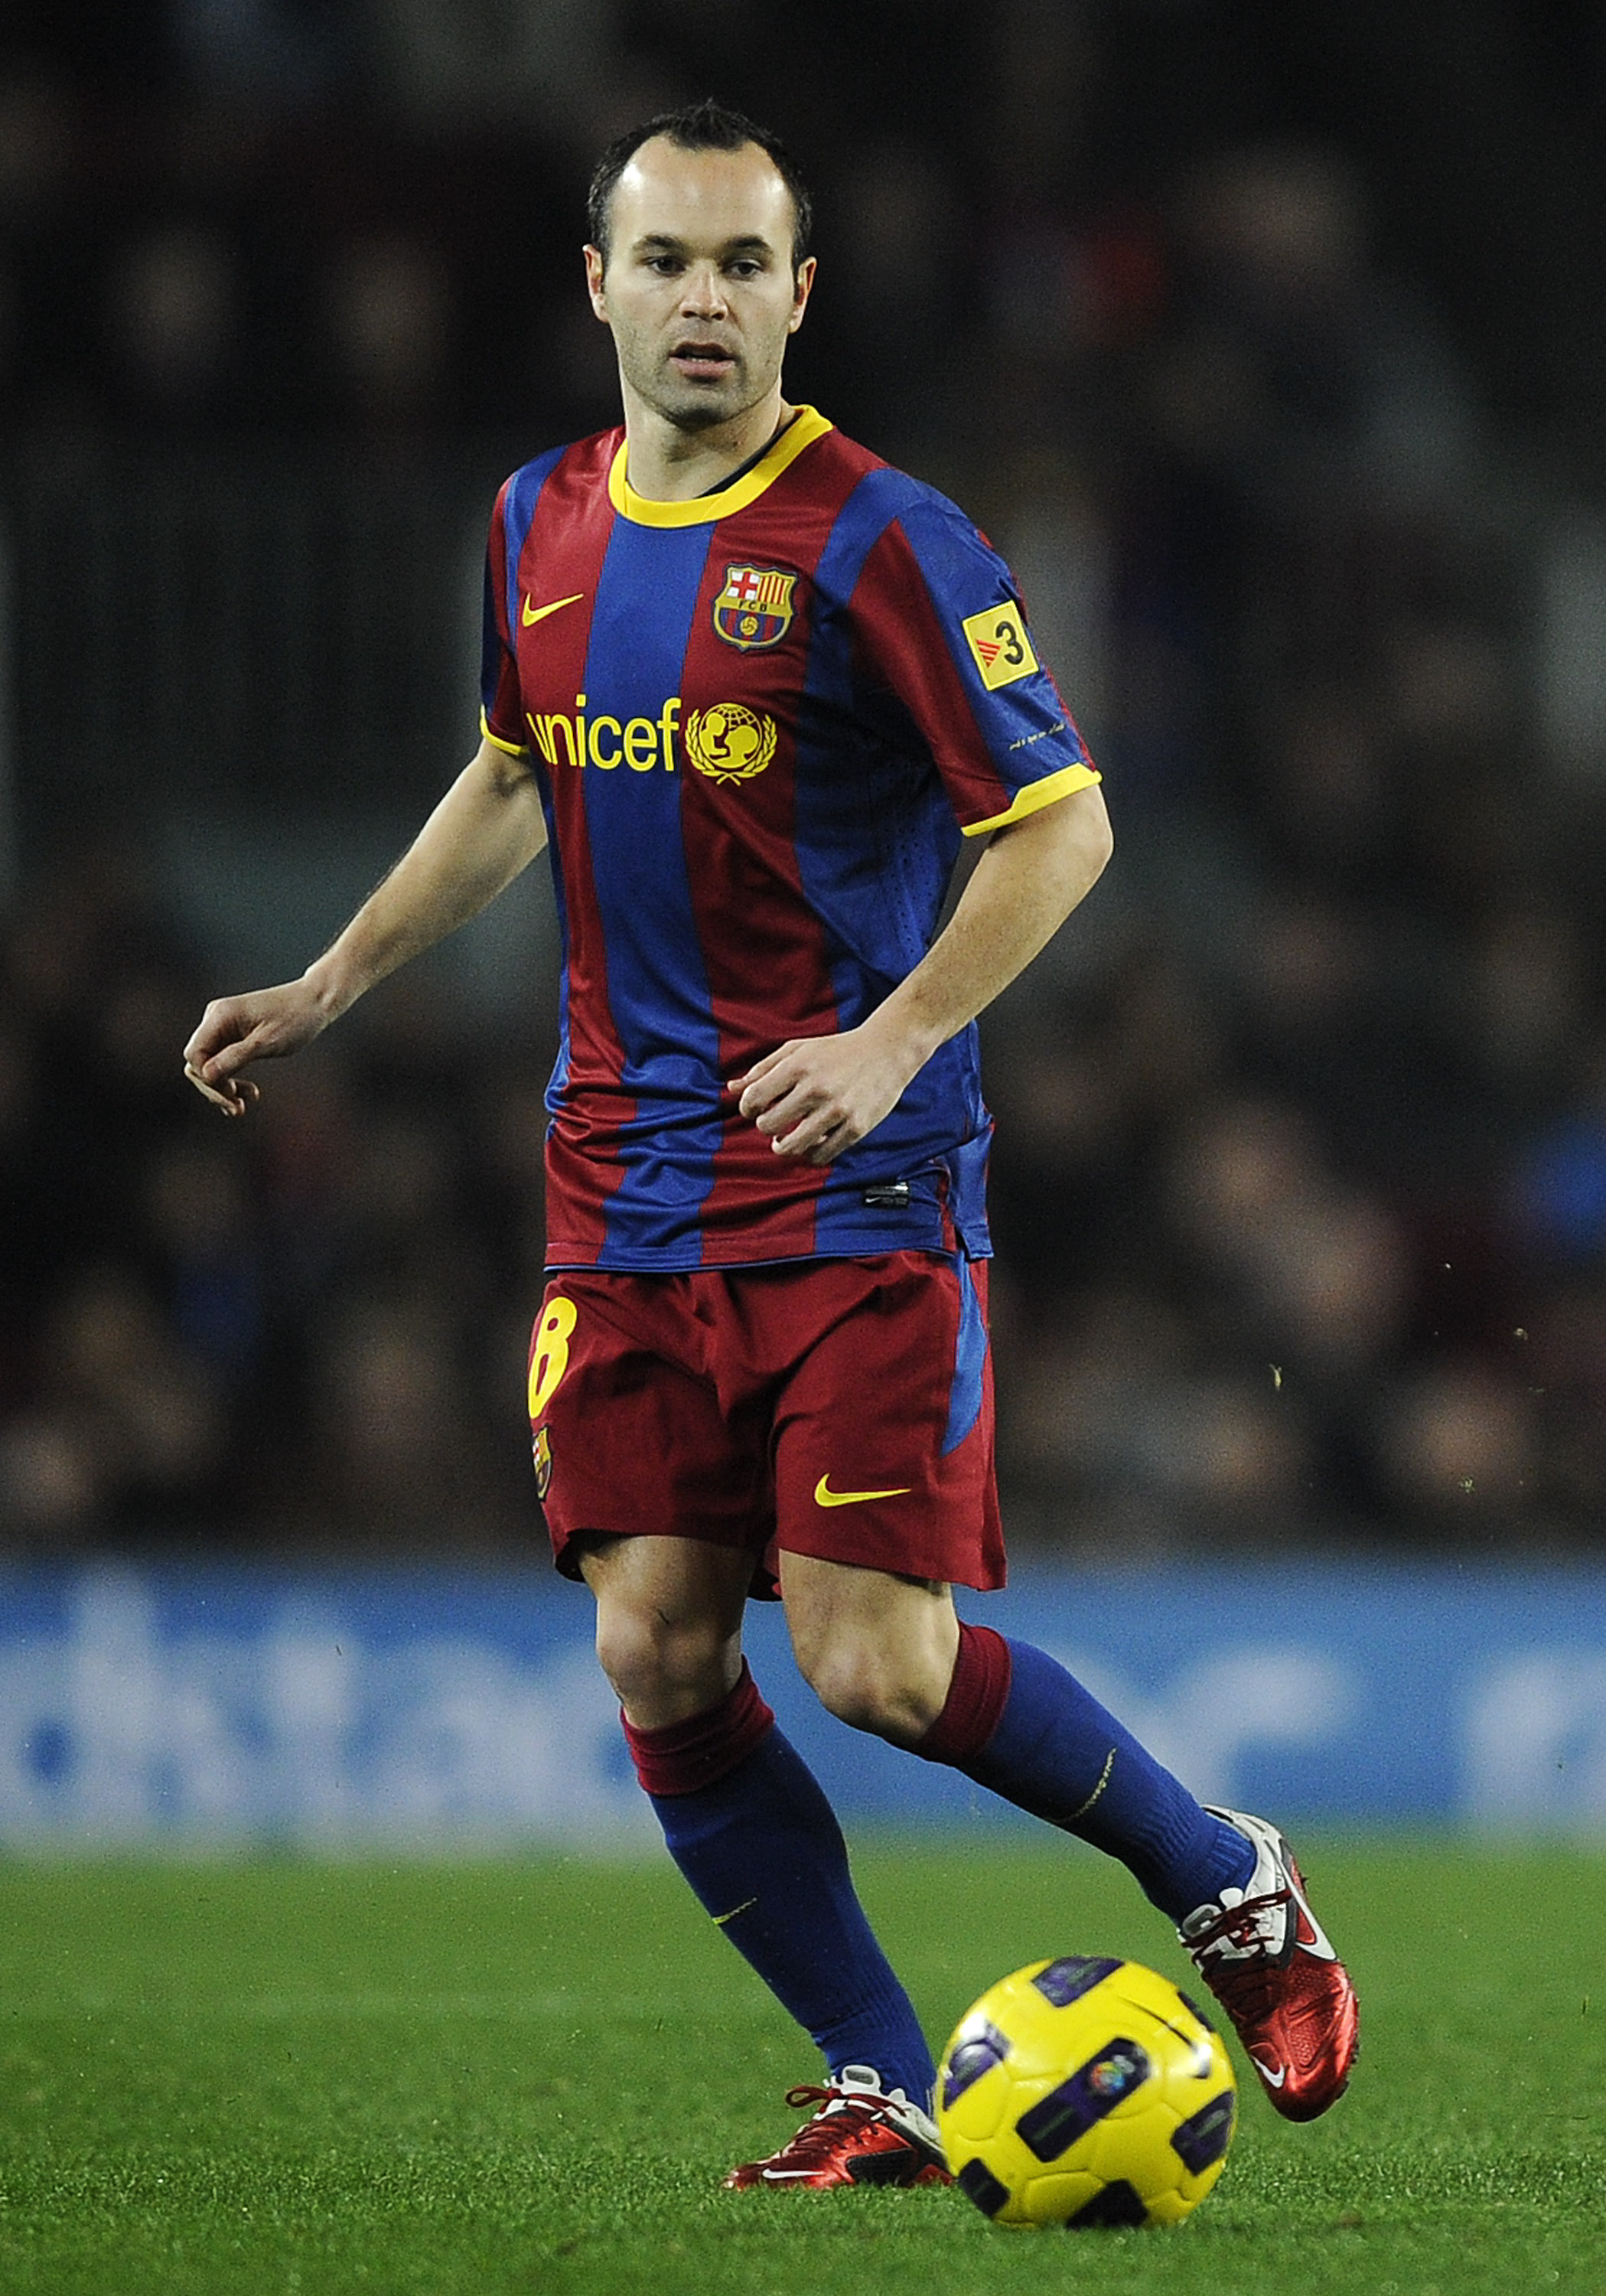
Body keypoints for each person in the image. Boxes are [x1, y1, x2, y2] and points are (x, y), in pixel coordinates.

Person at [184, 99, 1358, 2191]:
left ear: (799, 296)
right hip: (618, 1195)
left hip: (854, 1190)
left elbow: (1063, 825)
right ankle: (875, 2081)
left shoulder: (887, 536)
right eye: (667, 260)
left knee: (872, 1666)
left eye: (744, 265)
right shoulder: (531, 519)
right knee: (651, 1639)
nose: (703, 300)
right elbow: (507, 778)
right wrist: (329, 984)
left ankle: (1229, 1886)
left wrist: (894, 1039)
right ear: (597, 286)